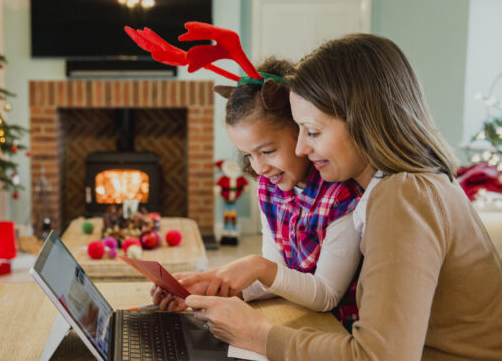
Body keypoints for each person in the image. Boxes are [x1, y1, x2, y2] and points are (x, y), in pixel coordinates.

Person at [184, 34, 502, 359]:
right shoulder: (402, 189)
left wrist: (258, 335)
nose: (302, 148)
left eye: (313, 131)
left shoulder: (403, 196)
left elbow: (379, 356)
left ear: (362, 119)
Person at [153, 58, 364, 331]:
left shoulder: (341, 195)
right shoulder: (269, 188)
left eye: (267, 151)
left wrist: (257, 267)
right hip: (299, 319)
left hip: (335, 333)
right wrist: (211, 288)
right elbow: (276, 274)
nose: (259, 167)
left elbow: (326, 295)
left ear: (302, 131)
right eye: (248, 155)